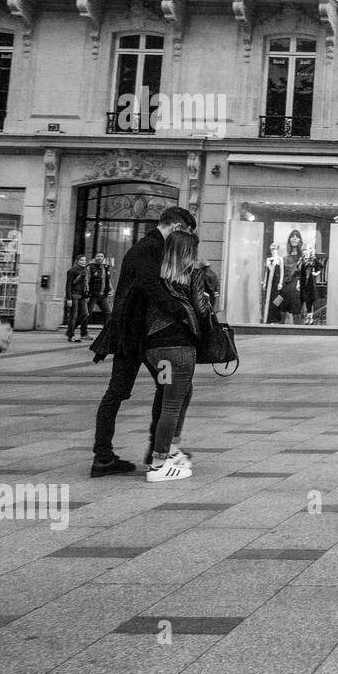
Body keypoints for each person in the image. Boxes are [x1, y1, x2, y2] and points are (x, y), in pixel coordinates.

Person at [88, 205, 196, 478]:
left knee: (165, 389)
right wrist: (182, 310)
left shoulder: (152, 248)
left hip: (144, 336)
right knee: (119, 392)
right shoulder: (148, 249)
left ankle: (155, 450)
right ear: (177, 227)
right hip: (134, 336)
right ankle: (105, 456)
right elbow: (153, 289)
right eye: (185, 231)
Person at [134, 230, 213, 482]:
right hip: (179, 349)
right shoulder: (193, 275)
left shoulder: (156, 277)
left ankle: (172, 449)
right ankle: (159, 463)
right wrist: (207, 303)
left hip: (156, 350)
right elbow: (201, 311)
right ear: (190, 252)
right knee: (171, 403)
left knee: (180, 392)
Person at [64, 253, 90, 342]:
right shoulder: (72, 270)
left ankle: (70, 330)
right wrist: (69, 298)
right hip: (74, 295)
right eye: (81, 260)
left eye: (84, 260)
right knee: (73, 316)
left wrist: (87, 294)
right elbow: (68, 285)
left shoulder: (85, 270)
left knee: (85, 314)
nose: (83, 262)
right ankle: (71, 336)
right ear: (77, 261)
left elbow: (86, 284)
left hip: (82, 296)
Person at [87, 252, 114, 323]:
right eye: (98, 256)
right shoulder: (90, 267)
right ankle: (83, 332)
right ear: (95, 258)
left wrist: (111, 289)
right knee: (87, 313)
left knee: (108, 313)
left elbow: (108, 280)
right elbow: (86, 280)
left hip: (103, 295)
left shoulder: (106, 267)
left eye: (101, 256)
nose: (100, 258)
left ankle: (105, 331)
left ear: (104, 258)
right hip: (93, 294)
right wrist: (86, 292)